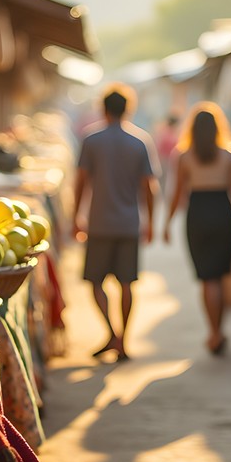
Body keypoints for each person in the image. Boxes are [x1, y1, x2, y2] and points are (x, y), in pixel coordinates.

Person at [72, 84, 160, 362]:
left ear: (103, 108)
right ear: (128, 109)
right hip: (128, 223)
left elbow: (81, 182)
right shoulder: (140, 141)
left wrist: (77, 215)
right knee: (126, 283)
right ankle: (122, 339)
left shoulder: (91, 140)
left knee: (95, 281)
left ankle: (111, 333)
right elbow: (150, 187)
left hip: (98, 223)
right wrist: (150, 221)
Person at [162, 102, 231, 356]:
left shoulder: (183, 156)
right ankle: (220, 330)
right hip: (223, 214)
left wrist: (167, 223)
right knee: (222, 276)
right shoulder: (230, 154)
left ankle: (213, 332)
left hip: (198, 215)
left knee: (207, 278)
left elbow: (177, 193)